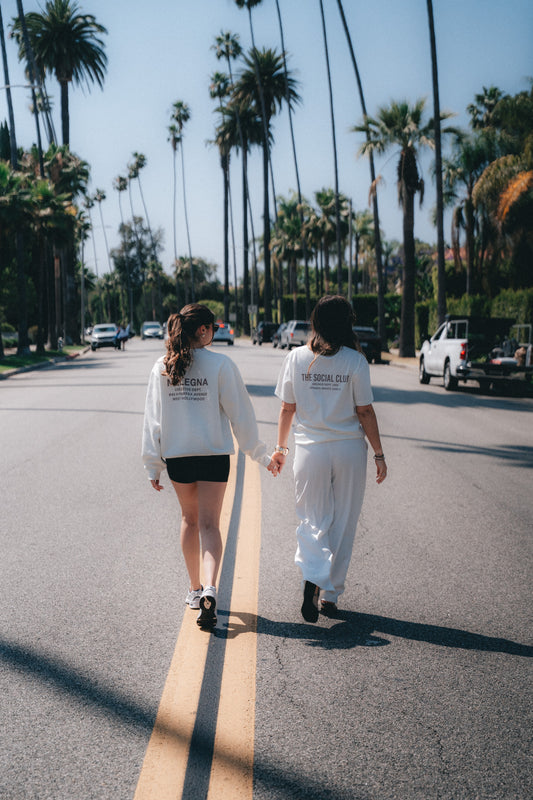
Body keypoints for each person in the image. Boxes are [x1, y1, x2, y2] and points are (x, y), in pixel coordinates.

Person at [142, 304, 278, 627]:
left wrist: (152, 466)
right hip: (214, 457)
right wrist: (260, 454)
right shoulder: (221, 365)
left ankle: (194, 590)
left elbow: (152, 422)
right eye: (213, 329)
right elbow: (241, 417)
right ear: (202, 330)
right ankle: (212, 589)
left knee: (189, 521)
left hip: (179, 459)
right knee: (210, 525)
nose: (214, 334)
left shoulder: (162, 366)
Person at [272, 295, 387, 622]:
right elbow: (364, 411)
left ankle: (311, 577)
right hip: (348, 448)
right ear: (347, 323)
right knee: (343, 521)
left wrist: (280, 449)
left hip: (310, 450)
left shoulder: (295, 357)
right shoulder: (355, 361)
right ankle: (330, 594)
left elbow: (287, 408)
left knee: (312, 518)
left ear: (316, 322)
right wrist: (379, 454)